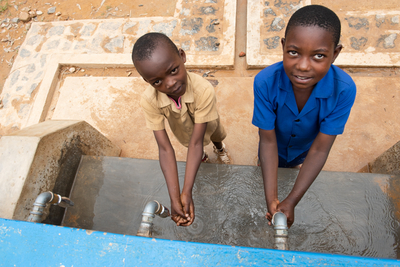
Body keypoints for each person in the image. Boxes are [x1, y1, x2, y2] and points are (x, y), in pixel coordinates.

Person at [252, 5, 356, 228]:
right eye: (293, 52)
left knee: (297, 164)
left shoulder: (344, 90)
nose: (303, 66)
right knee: (266, 162)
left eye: (319, 55)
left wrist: (291, 201)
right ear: (282, 46)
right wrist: (272, 199)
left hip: (305, 151)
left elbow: (320, 149)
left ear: (335, 54)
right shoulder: (264, 82)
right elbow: (267, 140)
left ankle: (295, 165)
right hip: (273, 147)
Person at [132, 32, 232, 227]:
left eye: (173, 70)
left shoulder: (203, 90)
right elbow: (165, 149)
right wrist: (175, 198)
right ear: (147, 82)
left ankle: (220, 149)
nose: (170, 83)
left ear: (182, 56)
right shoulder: (149, 100)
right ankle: (203, 157)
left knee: (217, 136)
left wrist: (187, 191)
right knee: (195, 149)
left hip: (208, 125)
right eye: (157, 82)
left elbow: (197, 141)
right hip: (185, 131)